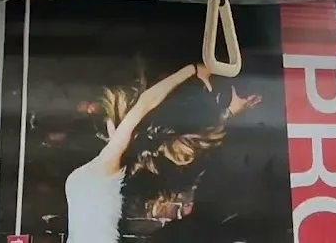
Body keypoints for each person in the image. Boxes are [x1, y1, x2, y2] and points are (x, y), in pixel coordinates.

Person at [64, 62, 259, 243]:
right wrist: (193, 72)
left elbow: (145, 104)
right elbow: (145, 105)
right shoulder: (107, 169)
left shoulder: (105, 168)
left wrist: (192, 71)